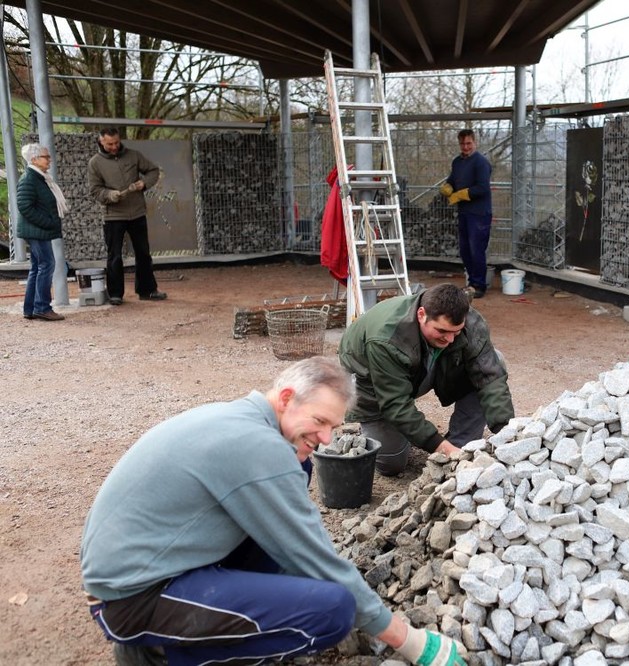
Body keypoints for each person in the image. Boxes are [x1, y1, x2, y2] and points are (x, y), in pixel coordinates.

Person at [80, 356, 465, 666]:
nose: (328, 438)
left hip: (153, 568)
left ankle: (161, 642)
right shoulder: (257, 447)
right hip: (133, 598)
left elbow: (292, 540)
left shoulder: (242, 420)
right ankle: (163, 654)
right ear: (285, 398)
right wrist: (409, 640)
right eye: (319, 421)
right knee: (332, 611)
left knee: (300, 465)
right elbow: (313, 556)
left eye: (334, 425)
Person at [338, 283, 514, 476]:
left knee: (495, 359)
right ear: (421, 314)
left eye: (455, 332)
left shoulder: (468, 320)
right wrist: (439, 446)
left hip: (420, 368)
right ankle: (405, 433)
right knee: (392, 464)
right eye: (441, 331)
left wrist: (508, 434)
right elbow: (395, 404)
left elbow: (490, 377)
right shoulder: (385, 339)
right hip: (372, 380)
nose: (450, 340)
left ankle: (461, 444)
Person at [87, 127, 166, 306]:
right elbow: (95, 190)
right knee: (114, 255)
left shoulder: (134, 155)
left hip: (137, 213)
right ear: (101, 142)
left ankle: (147, 290)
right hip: (113, 215)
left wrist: (143, 183)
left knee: (143, 253)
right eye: (109, 144)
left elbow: (153, 170)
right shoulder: (95, 163)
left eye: (116, 142)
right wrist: (109, 195)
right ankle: (115, 294)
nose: (114, 147)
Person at [16, 143, 67, 321]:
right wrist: (48, 223)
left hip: (38, 230)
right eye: (46, 157)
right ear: (34, 159)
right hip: (37, 231)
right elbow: (24, 207)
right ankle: (42, 307)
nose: (49, 160)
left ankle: (30, 308)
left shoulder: (39, 178)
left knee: (38, 268)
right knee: (47, 265)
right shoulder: (29, 179)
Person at [440, 129, 493, 298]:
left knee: (476, 248)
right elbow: (452, 179)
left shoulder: (481, 163)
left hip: (479, 212)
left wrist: (463, 194)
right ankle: (472, 281)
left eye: (469, 143)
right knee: (465, 249)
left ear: (474, 143)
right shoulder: (457, 162)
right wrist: (448, 186)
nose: (465, 147)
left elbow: (483, 188)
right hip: (464, 211)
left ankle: (479, 285)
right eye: (462, 144)